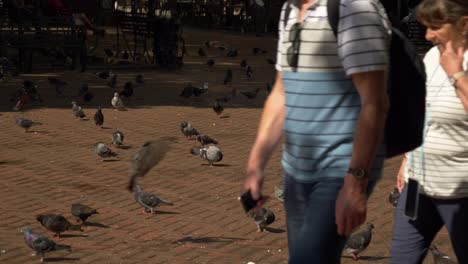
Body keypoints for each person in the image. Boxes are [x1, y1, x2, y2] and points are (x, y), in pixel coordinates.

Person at [241, 0, 391, 262]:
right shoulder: (289, 10)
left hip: (339, 170)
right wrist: (256, 166)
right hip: (296, 172)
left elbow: (374, 102)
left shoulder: (355, 8)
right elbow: (281, 93)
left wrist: (355, 183)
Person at [390, 0, 468, 263]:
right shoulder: (433, 55)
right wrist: (407, 158)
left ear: (464, 24)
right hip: (418, 185)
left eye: (435, 27)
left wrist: (457, 75)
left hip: (460, 190)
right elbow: (425, 112)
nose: (428, 35)